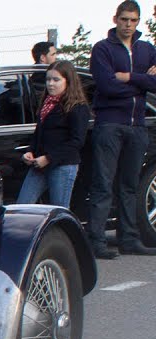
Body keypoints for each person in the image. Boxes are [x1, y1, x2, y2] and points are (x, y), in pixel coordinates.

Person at [87, 0, 156, 257]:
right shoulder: (102, 49)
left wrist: (130, 77)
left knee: (130, 186)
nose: (128, 25)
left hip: (137, 125)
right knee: (103, 184)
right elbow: (106, 86)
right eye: (124, 19)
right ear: (115, 19)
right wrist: (144, 83)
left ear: (138, 21)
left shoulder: (147, 49)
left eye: (133, 20)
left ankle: (129, 239)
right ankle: (97, 242)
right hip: (110, 124)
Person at [16, 60, 90, 211]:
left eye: (56, 80)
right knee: (22, 206)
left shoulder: (78, 107)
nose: (50, 84)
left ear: (68, 81)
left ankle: (61, 236)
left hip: (62, 165)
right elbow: (39, 133)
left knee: (58, 211)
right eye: (48, 79)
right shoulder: (47, 103)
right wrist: (29, 151)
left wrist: (49, 158)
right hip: (39, 164)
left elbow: (77, 141)